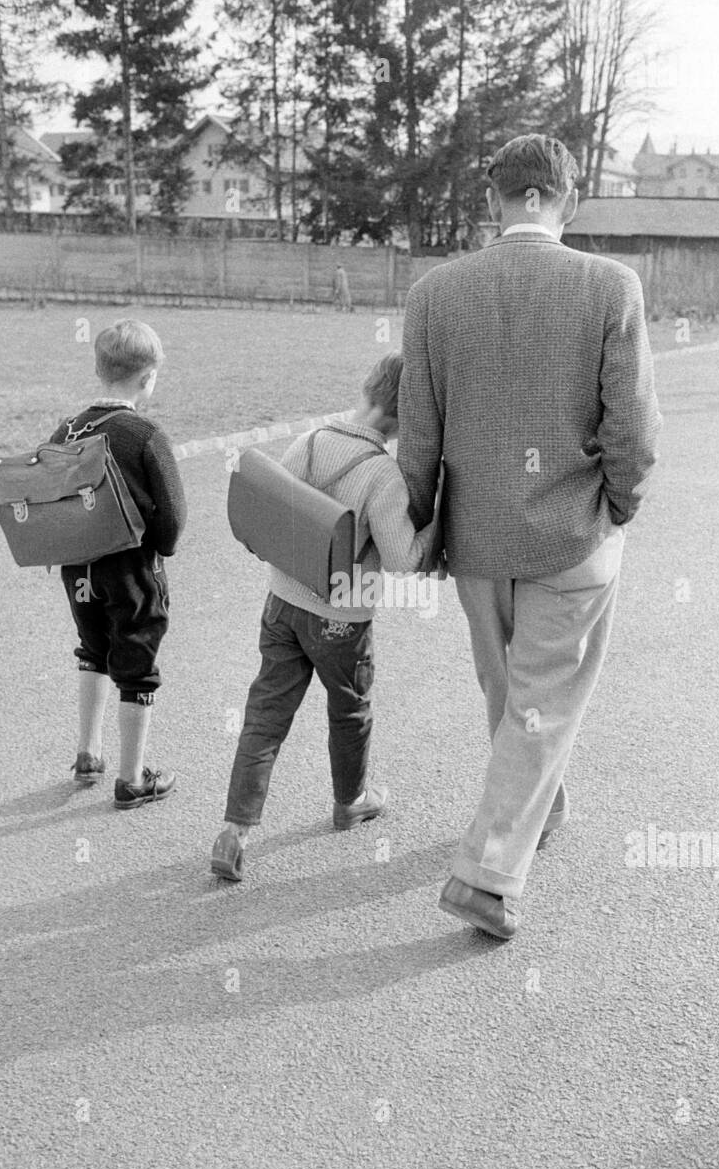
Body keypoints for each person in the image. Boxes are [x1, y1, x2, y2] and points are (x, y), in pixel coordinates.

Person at [397, 133, 661, 941]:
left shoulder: (434, 294)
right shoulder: (611, 286)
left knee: (511, 690)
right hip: (569, 534)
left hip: (476, 538)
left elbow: (417, 435)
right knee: (541, 695)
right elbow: (636, 432)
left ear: (493, 200)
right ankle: (486, 875)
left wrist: (420, 522)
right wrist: (619, 506)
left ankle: (534, 809)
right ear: (567, 199)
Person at [211, 353, 435, 882]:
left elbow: (273, 512)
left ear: (368, 387)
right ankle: (351, 799)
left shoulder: (309, 441)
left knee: (265, 715)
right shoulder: (383, 474)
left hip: (283, 603)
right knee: (349, 710)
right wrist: (434, 529)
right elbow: (402, 559)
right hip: (342, 618)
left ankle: (234, 830)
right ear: (412, 420)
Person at [48, 319, 187, 807]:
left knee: (92, 647)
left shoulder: (68, 428)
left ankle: (88, 752)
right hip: (131, 570)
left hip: (78, 568)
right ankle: (132, 779)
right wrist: (163, 548)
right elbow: (172, 515)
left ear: (99, 368)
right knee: (136, 660)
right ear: (148, 377)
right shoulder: (145, 433)